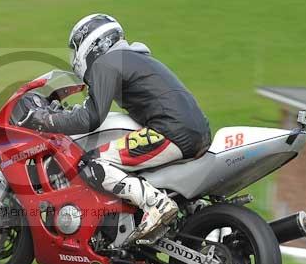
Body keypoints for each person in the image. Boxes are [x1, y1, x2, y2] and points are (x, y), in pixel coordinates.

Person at [19, 13, 211, 243]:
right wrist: (67, 114)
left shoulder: (107, 63)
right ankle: (190, 210)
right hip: (197, 131)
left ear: (92, 42)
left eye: (76, 47)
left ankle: (155, 203)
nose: (74, 55)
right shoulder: (133, 59)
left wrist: (46, 120)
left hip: (170, 131)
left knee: (95, 163)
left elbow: (91, 118)